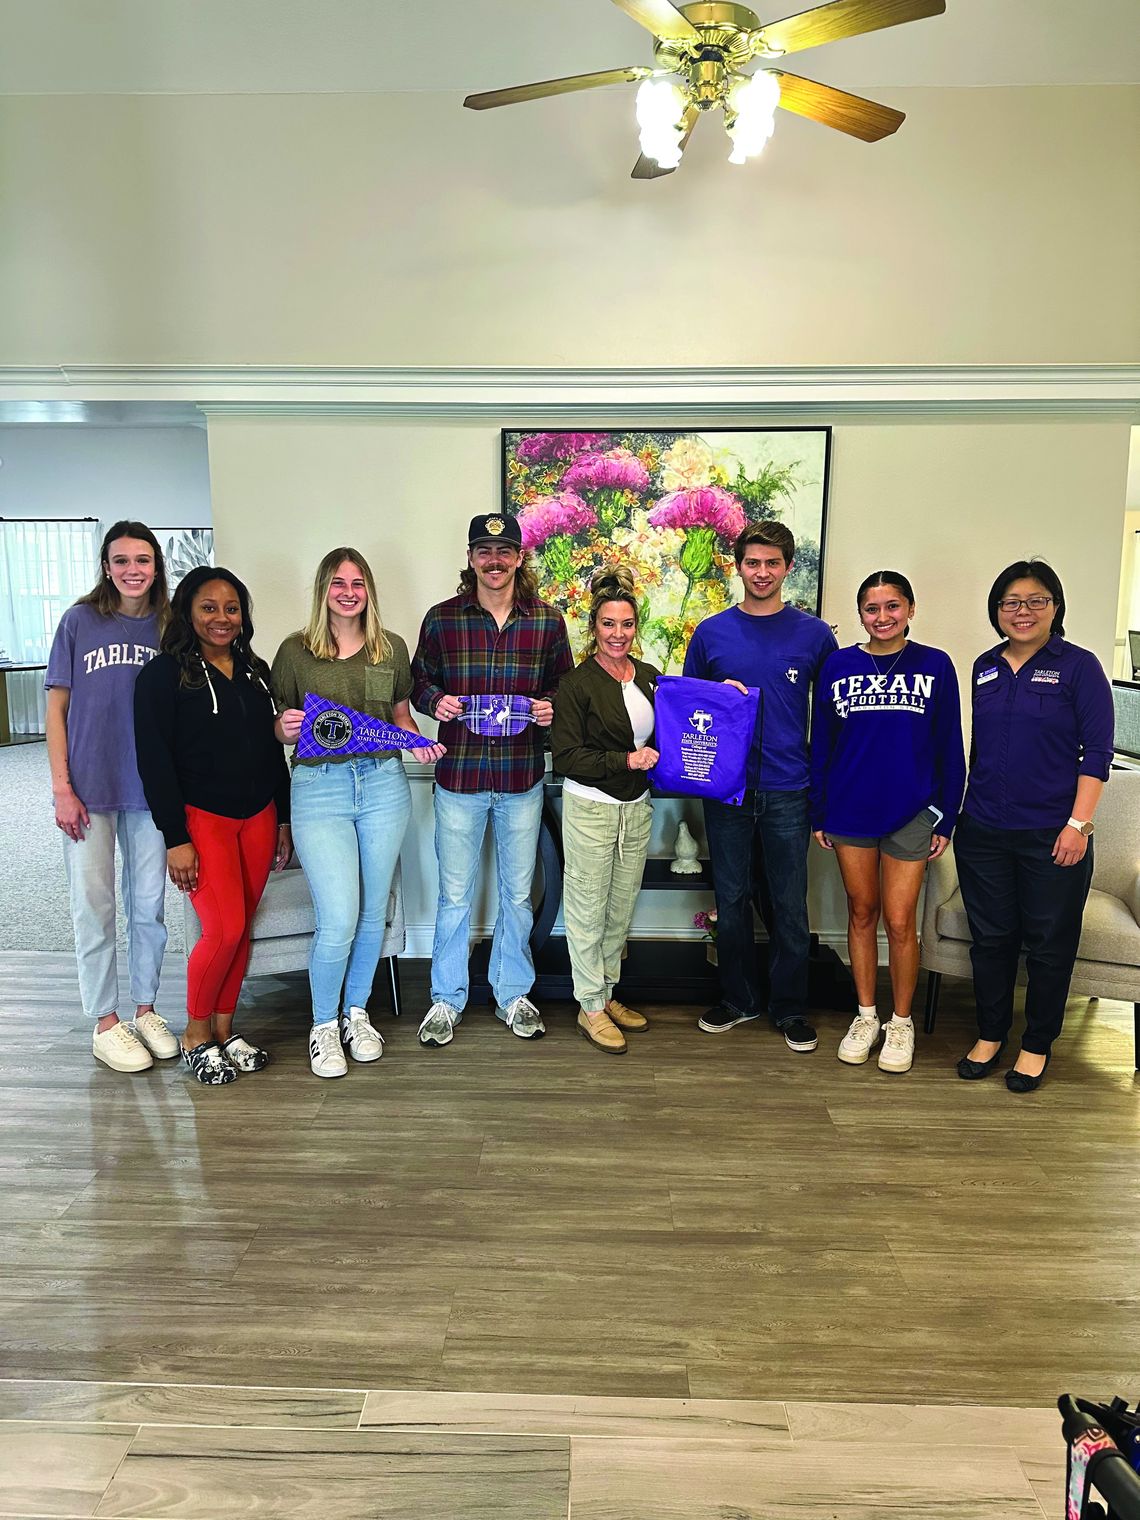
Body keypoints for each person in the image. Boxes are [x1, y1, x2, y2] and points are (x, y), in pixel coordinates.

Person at [272, 548, 443, 1079]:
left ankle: (356, 1013)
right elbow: (277, 725)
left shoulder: (389, 648)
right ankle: (323, 1026)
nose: (349, 591)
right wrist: (285, 728)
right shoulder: (294, 651)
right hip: (319, 789)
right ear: (323, 588)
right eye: (339, 582)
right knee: (340, 916)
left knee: (373, 913)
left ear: (369, 589)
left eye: (359, 582)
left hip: (383, 784)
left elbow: (397, 716)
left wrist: (417, 744)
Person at [411, 513, 573, 1048]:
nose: (495, 560)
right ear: (471, 557)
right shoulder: (441, 619)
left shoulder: (547, 623)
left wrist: (548, 709)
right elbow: (418, 684)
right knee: (454, 894)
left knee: (516, 893)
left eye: (504, 551)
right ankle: (446, 998)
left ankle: (512, 993)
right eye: (485, 550)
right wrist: (438, 701)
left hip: (521, 776)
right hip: (458, 776)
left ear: (520, 557)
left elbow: (562, 691)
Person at [954, 559, 1113, 1092]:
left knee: (1049, 944)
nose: (1022, 611)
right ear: (997, 611)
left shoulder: (1080, 667)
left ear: (1055, 607)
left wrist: (1078, 825)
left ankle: (1037, 1044)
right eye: (1010, 603)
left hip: (1053, 834)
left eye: (1035, 600)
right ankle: (991, 1034)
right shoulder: (984, 666)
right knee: (992, 940)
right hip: (983, 831)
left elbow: (1097, 754)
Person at [683, 520, 837, 1052]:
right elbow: (691, 712)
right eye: (753, 563)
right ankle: (739, 1000)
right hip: (727, 790)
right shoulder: (711, 633)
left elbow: (837, 715)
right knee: (731, 895)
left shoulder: (815, 635)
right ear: (738, 566)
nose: (763, 572)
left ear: (787, 568)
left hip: (789, 788)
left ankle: (790, 1007)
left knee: (789, 903)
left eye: (773, 563)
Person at [134, 568, 292, 1084]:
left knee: (241, 929)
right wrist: (175, 839)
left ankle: (225, 1029)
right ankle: (195, 1035)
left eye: (231, 608)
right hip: (204, 821)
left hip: (260, 817)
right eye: (209, 607)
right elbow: (153, 762)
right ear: (187, 612)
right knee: (221, 929)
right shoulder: (161, 677)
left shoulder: (256, 672)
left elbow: (274, 753)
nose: (222, 618)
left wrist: (284, 818)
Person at [810, 571, 965, 1074]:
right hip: (850, 810)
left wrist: (946, 816)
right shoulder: (838, 665)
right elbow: (823, 746)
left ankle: (901, 1022)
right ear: (861, 615)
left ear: (911, 609)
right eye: (872, 609)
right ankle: (866, 1015)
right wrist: (819, 809)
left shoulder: (935, 665)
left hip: (912, 814)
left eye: (892, 606)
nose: (882, 617)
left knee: (900, 922)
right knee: (861, 912)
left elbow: (950, 747)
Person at [44, 520, 178, 1074]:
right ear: (106, 566)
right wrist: (61, 787)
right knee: (94, 906)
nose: (132, 570)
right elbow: (55, 708)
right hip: (89, 788)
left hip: (150, 788)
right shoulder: (79, 621)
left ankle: (145, 1009)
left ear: (156, 566)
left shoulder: (171, 627)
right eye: (121, 560)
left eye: (142, 560)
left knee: (148, 906)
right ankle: (104, 1020)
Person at [551, 568, 659, 1055]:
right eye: (609, 624)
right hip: (592, 810)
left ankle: (607, 993)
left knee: (619, 911)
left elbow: (681, 720)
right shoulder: (576, 685)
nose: (619, 634)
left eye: (627, 624)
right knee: (588, 910)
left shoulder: (649, 676)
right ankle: (589, 1005)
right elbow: (569, 758)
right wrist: (626, 760)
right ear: (593, 627)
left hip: (636, 809)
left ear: (637, 626)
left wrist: (722, 695)